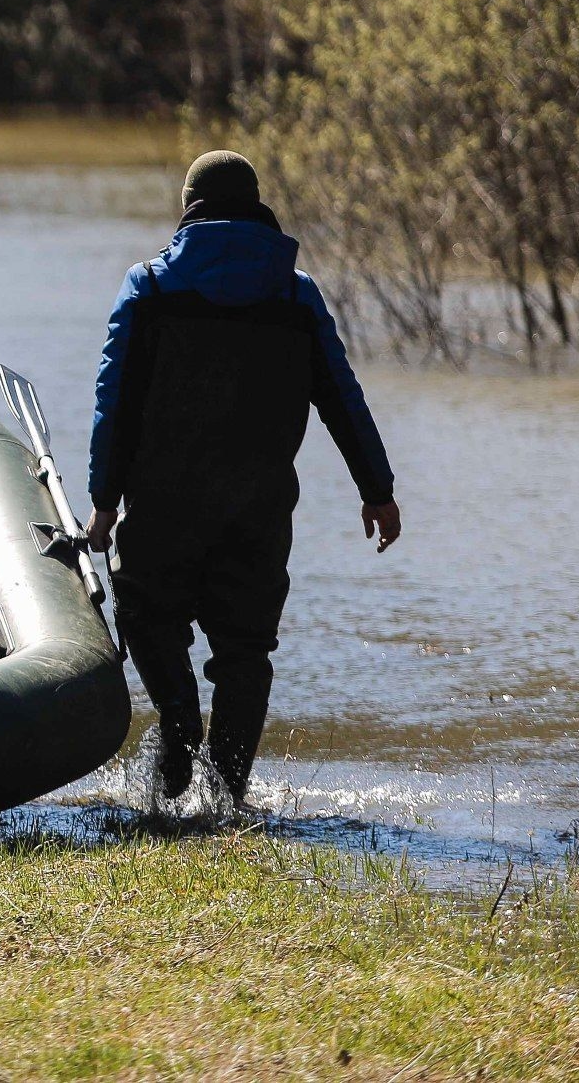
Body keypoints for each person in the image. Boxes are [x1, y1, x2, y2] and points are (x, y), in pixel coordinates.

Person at [87, 150, 401, 808]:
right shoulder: (295, 293)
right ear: (256, 204)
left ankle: (177, 727)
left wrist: (103, 501)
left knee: (147, 615)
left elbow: (114, 400)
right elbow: (342, 395)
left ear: (190, 207)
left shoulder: (148, 286)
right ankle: (227, 796)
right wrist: (377, 489)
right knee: (245, 652)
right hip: (258, 510)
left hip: (163, 505)